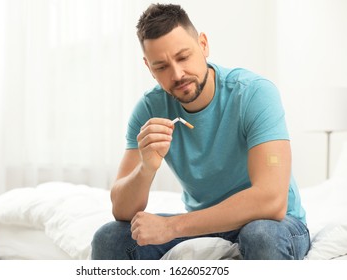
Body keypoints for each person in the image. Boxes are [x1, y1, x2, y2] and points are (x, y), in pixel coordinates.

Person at [91, 3, 310, 260]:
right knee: (109, 238)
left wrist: (172, 227)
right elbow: (122, 210)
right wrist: (146, 168)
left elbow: (271, 201)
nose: (177, 74)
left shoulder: (254, 93)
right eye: (161, 66)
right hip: (205, 224)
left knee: (261, 235)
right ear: (148, 67)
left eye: (183, 57)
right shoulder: (149, 109)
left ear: (203, 44)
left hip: (275, 223)